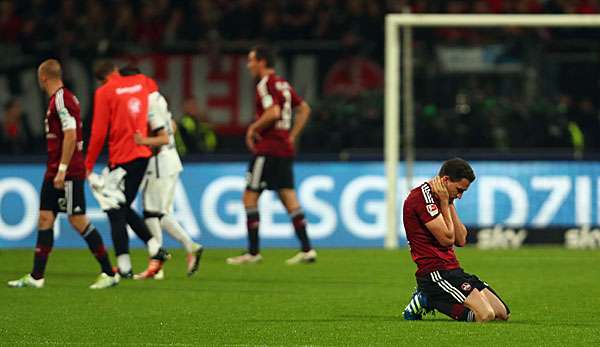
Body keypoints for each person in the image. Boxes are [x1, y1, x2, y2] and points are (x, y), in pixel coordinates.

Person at [8, 59, 117, 289]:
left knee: (77, 220)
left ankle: (109, 272)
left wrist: (62, 170)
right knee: (45, 218)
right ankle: (37, 277)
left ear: (43, 78)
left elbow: (69, 135)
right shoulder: (62, 99)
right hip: (54, 169)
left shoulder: (61, 99)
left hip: (66, 171)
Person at [226, 46, 316, 265]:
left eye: (251, 60)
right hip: (284, 148)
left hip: (268, 149)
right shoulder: (282, 84)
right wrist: (292, 135)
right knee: (289, 197)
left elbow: (273, 113)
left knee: (249, 197)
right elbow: (304, 108)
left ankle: (253, 252)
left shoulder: (265, 84)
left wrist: (253, 129)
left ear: (262, 62)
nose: (249, 65)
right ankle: (307, 249)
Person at [86, 61, 169, 279]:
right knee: (121, 206)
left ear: (104, 78)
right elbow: (154, 96)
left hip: (121, 158)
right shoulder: (142, 82)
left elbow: (98, 132)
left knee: (115, 210)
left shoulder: (104, 92)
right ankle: (153, 247)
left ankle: (124, 266)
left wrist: (87, 165)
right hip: (142, 156)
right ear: (115, 71)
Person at [118, 67, 204, 278]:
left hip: (160, 161)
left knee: (152, 213)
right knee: (158, 213)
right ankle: (187, 248)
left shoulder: (146, 101)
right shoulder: (158, 98)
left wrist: (142, 142)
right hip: (168, 160)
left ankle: (158, 265)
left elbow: (164, 136)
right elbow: (172, 126)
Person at [401, 158, 510, 322]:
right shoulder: (421, 198)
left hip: (453, 270)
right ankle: (429, 298)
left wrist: (449, 202)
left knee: (501, 314)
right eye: (459, 190)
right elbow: (446, 239)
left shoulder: (446, 197)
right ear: (445, 180)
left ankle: (431, 298)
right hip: (435, 273)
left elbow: (461, 239)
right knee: (486, 315)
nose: (460, 196)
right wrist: (445, 203)